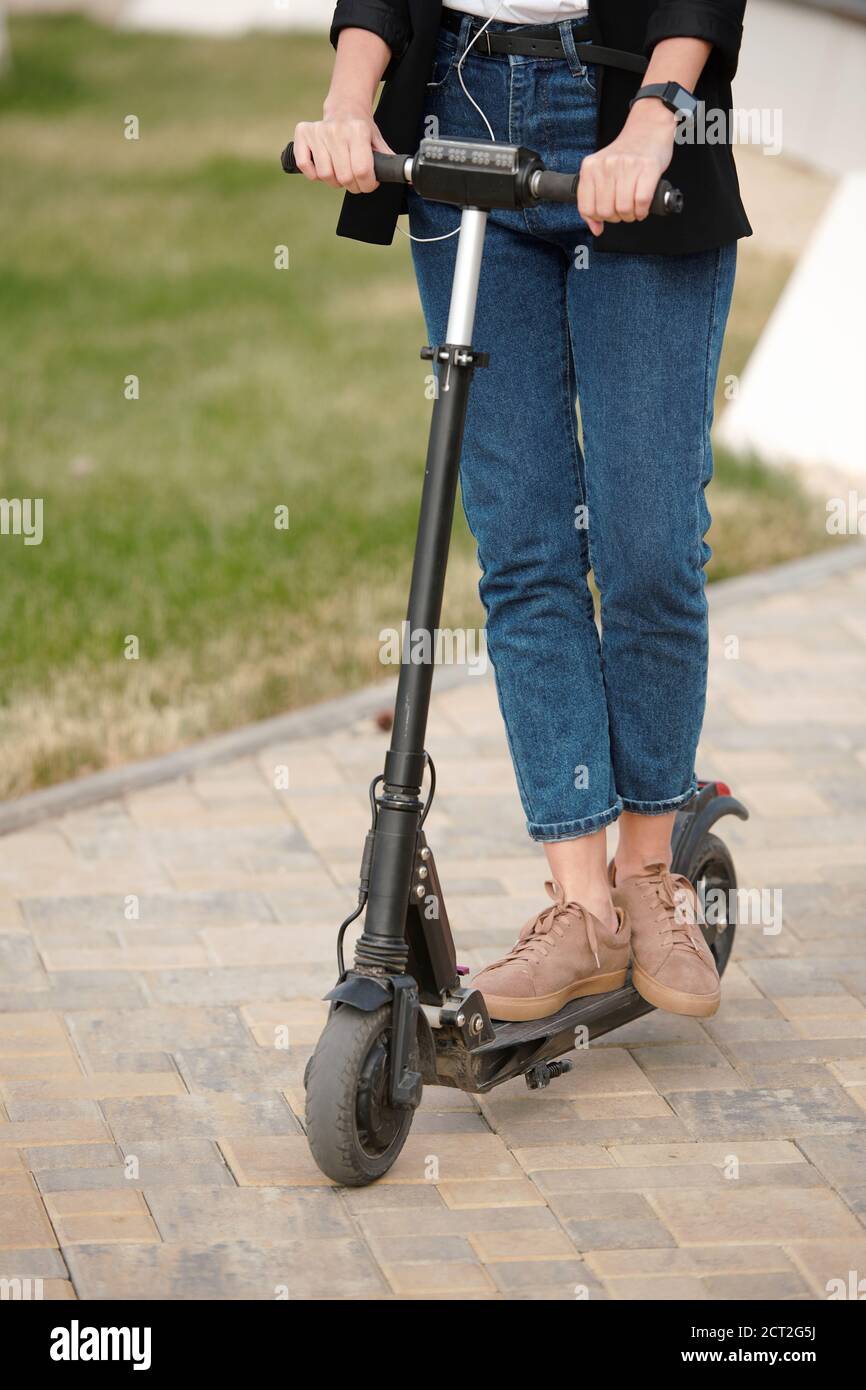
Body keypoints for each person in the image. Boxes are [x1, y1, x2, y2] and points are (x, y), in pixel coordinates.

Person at [293, 0, 750, 1023]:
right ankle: (580, 907)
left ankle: (646, 879)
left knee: (646, 546)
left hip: (622, 95)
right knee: (525, 545)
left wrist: (655, 111)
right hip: (459, 98)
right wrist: (348, 97)